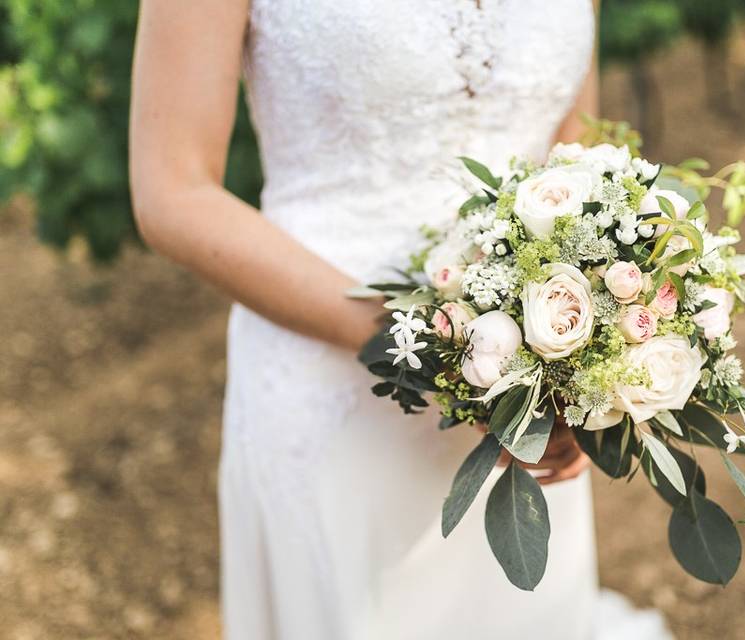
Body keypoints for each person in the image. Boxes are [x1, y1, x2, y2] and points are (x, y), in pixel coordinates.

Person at [129, 1, 672, 638]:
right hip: (329, 376)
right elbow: (173, 190)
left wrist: (581, 365)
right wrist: (424, 347)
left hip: (527, 382)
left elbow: (574, 152)